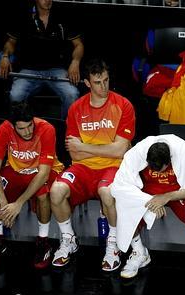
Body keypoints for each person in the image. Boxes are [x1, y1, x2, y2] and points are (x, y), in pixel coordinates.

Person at [50, 58, 135, 269]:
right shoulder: (76, 109)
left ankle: (113, 243)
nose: (104, 86)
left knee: (108, 192)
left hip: (114, 167)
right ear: (87, 83)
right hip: (84, 168)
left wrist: (85, 147)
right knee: (56, 190)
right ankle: (69, 239)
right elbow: (74, 155)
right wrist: (105, 148)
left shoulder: (123, 105)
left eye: (106, 80)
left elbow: (121, 150)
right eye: (98, 82)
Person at [110, 136, 185, 279]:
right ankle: (139, 252)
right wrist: (150, 199)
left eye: (161, 169)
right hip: (148, 191)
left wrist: (166, 197)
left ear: (169, 160)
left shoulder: (182, 150)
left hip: (176, 189)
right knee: (123, 201)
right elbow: (119, 187)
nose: (158, 172)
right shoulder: (137, 152)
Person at [0, 101, 64, 270]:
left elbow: (43, 173)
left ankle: (43, 242)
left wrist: (19, 204)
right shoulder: (4, 129)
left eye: (30, 126)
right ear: (13, 126)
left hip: (43, 170)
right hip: (17, 169)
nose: (27, 132)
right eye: (22, 128)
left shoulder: (46, 129)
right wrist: (5, 205)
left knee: (43, 194)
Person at [0, 0, 83, 120]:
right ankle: (21, 128)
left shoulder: (63, 15)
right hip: (28, 69)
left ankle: (68, 130)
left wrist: (75, 62)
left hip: (56, 69)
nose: (48, 0)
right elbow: (10, 42)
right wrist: (5, 56)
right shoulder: (23, 15)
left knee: (72, 94)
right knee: (16, 95)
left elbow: (78, 45)